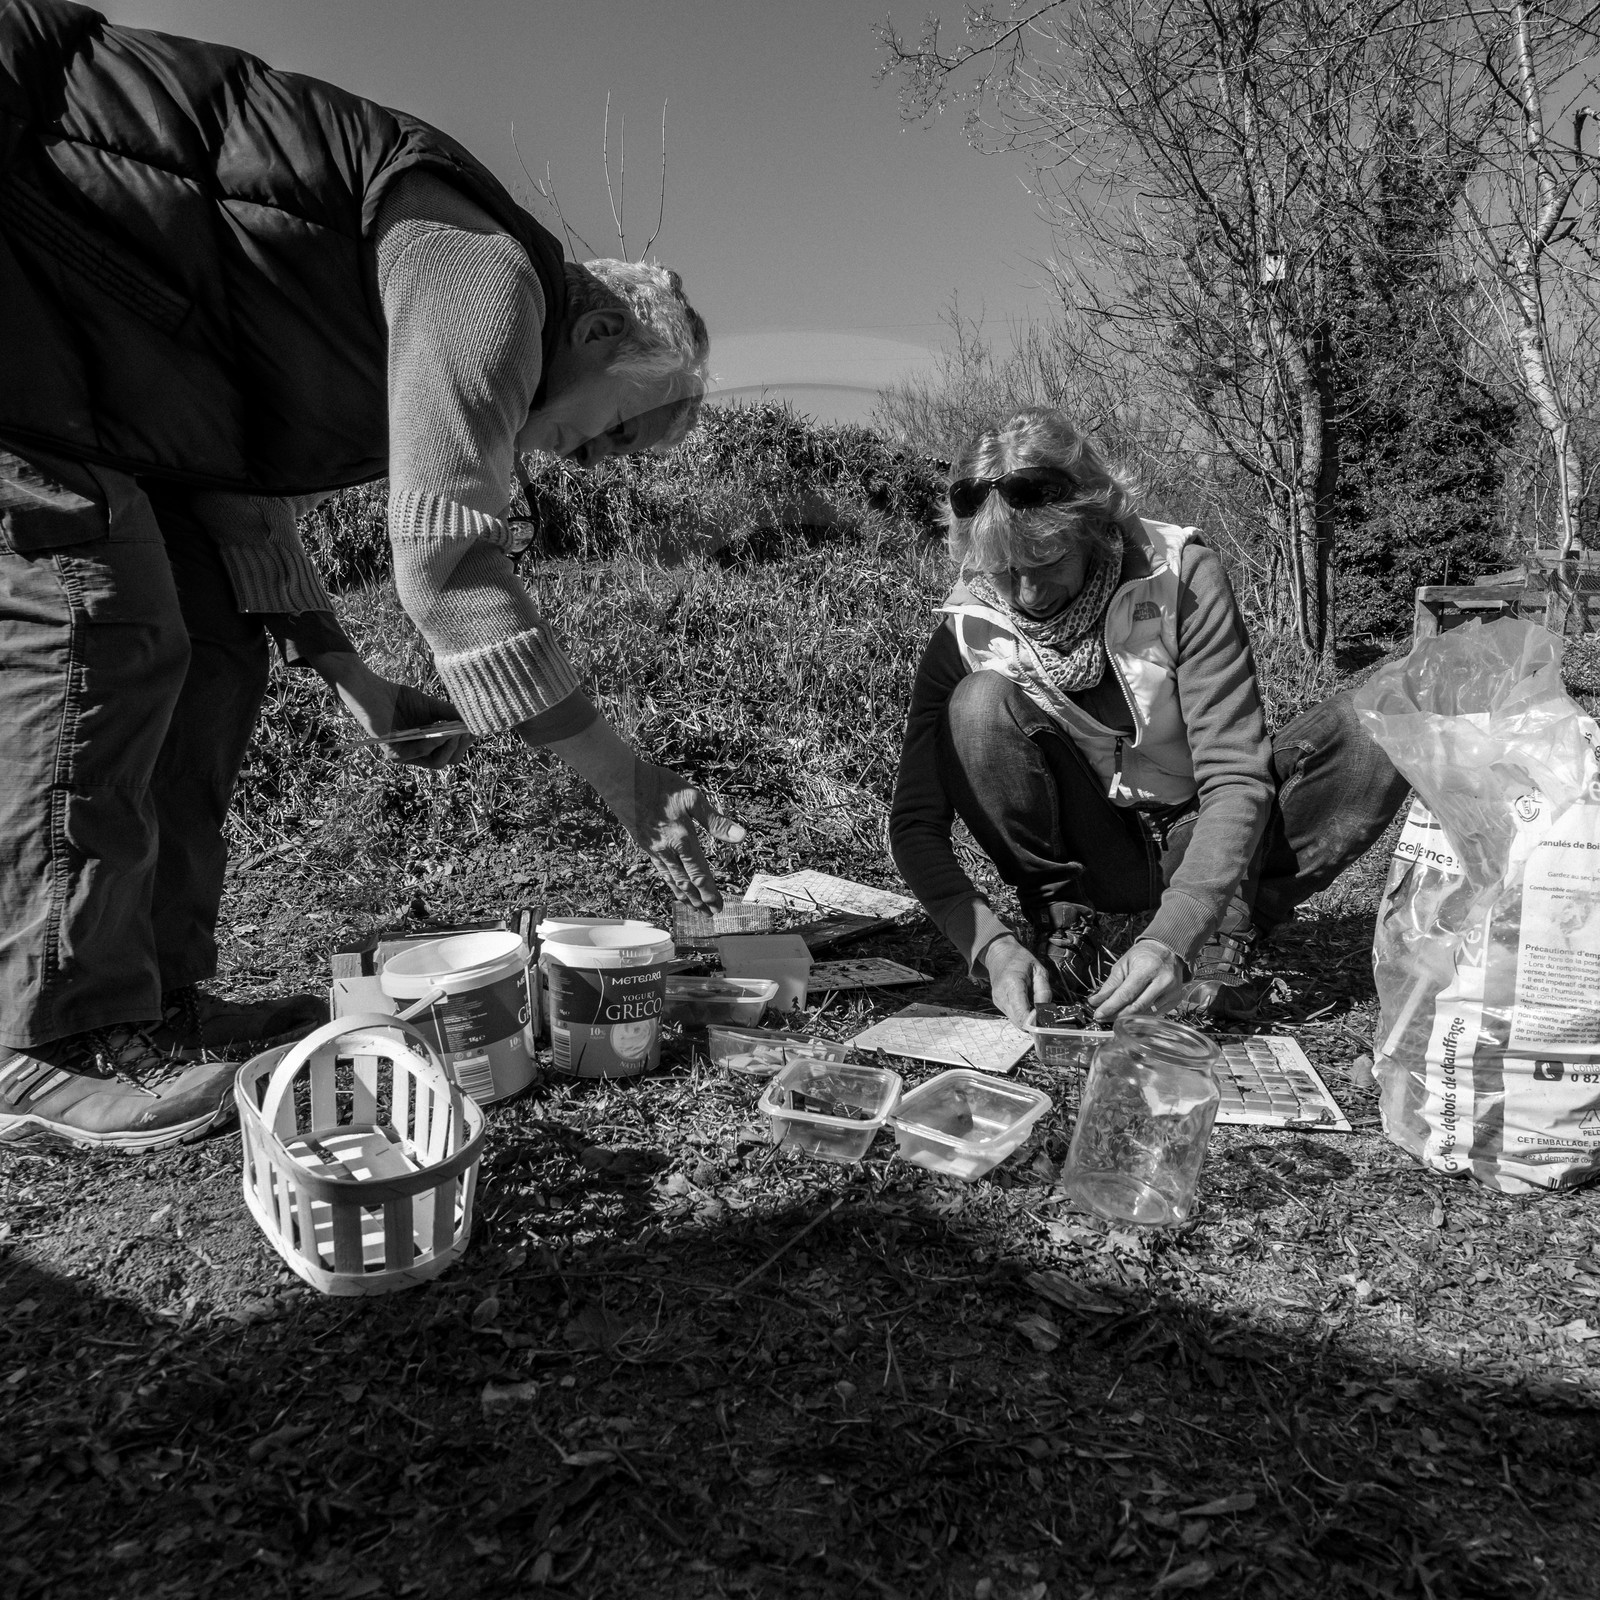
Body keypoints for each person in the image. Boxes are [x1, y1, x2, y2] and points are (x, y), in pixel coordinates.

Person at [0, 0, 738, 1152]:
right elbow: (446, 560)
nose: (594, 464)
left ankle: (155, 995)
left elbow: (223, 474)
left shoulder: (380, 327)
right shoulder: (493, 278)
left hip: (95, 353)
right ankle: (48, 1040)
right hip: (24, 242)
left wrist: (344, 670)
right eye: (617, 435)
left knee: (211, 639)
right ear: (598, 335)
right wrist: (621, 774)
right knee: (104, 617)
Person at [889, 409, 1409, 1029]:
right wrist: (988, 945)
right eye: (1004, 571)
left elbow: (1236, 777)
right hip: (1100, 851)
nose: (1027, 594)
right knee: (976, 703)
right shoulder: (966, 624)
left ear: (1094, 526)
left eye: (1048, 561)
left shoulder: (1182, 575)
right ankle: (1066, 927)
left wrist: (1177, 931)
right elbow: (916, 821)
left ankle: (1224, 930)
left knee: (1383, 720)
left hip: (1200, 828)